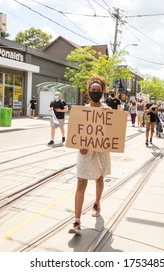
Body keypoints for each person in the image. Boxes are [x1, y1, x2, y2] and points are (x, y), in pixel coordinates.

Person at [69, 75, 111, 235]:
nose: (95, 92)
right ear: (88, 92)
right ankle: (77, 221)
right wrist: (80, 145)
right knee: (81, 182)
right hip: (84, 151)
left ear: (102, 92)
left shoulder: (107, 111)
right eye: (93, 90)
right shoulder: (82, 111)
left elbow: (113, 130)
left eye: (98, 90)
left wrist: (110, 115)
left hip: (101, 151)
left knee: (99, 178)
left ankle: (97, 203)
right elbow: (77, 132)